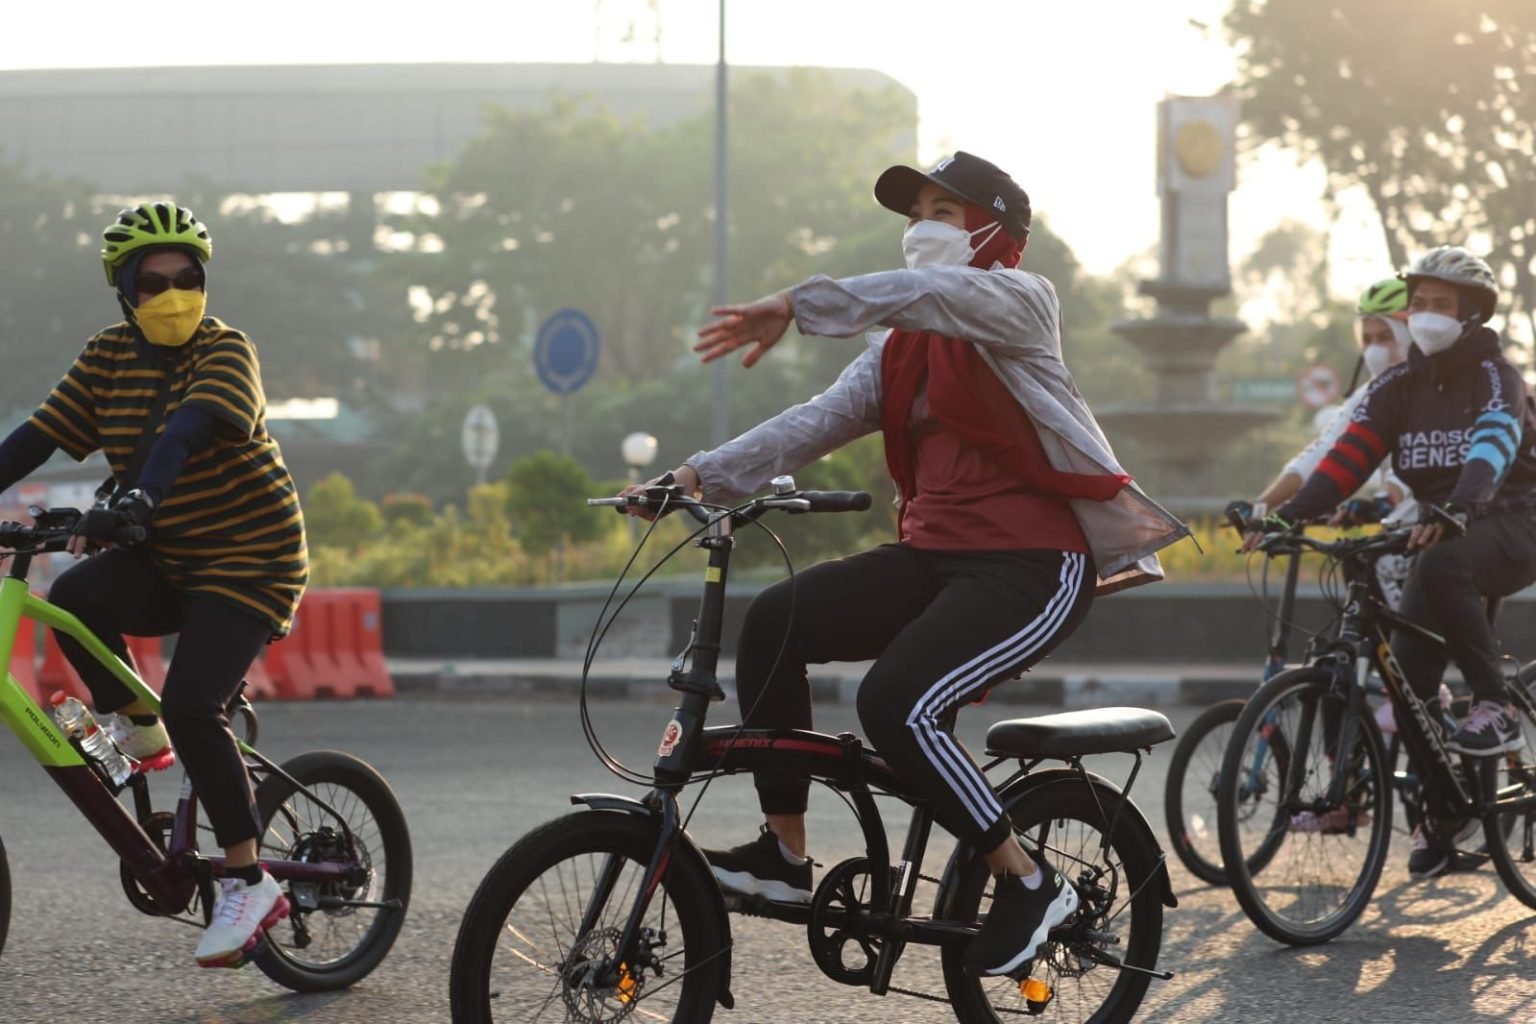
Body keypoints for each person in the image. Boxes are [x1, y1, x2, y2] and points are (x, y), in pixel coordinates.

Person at [627, 151, 1187, 976]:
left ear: (1000, 232)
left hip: (1033, 567)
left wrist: (799, 301)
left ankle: (1027, 881)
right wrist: (691, 476)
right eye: (916, 211)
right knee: (776, 622)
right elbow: (811, 423)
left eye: (945, 211)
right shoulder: (898, 351)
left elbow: (934, 292)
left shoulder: (1021, 304)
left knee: (897, 703)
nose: (922, 227)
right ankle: (786, 858)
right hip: (934, 556)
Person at [0, 202, 308, 964]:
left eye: (187, 278)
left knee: (195, 702)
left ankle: (248, 880)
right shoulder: (106, 356)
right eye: (152, 282)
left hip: (250, 558)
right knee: (73, 596)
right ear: (124, 294)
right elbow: (37, 437)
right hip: (170, 555)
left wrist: (137, 499)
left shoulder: (226, 349)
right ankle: (139, 725)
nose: (172, 293)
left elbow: (186, 432)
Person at [1256, 245, 1536, 878]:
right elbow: (1346, 460)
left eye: (1443, 305)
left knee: (1440, 570)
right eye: (1422, 304)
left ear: (1471, 315)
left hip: (1515, 521)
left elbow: (1493, 441)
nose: (1428, 315)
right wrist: (1288, 514)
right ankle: (1443, 818)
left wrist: (1461, 505)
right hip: (1444, 531)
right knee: (1408, 680)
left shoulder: (1497, 375)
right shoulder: (1398, 387)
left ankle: (1499, 704)